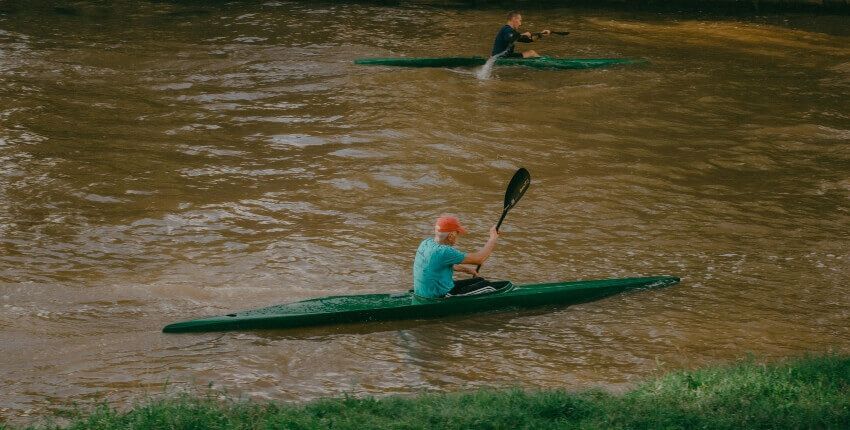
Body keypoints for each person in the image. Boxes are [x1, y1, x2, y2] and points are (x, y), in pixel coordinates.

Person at [413, 215, 500, 298]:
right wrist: (492, 239)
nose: (458, 236)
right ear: (451, 236)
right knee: (488, 287)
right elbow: (480, 259)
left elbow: (441, 264)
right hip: (439, 296)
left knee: (479, 280)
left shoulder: (425, 243)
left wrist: (468, 270)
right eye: (457, 233)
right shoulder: (445, 251)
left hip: (423, 292)